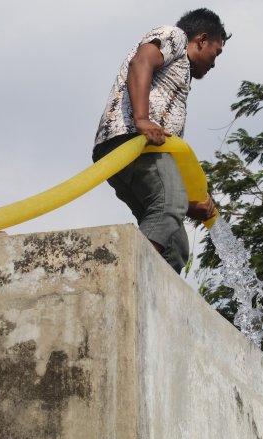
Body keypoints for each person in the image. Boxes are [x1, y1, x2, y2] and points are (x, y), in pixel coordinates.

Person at [92, 8, 229, 273]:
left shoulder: (180, 80)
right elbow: (141, 62)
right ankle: (128, 278)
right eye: (217, 51)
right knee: (169, 205)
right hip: (131, 142)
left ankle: (150, 308)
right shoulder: (174, 36)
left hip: (141, 152)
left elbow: (166, 191)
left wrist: (190, 207)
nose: (215, 62)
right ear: (201, 39)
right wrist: (142, 119)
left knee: (176, 245)